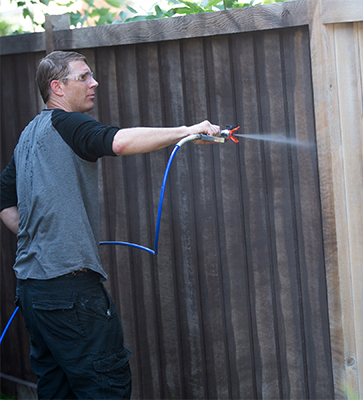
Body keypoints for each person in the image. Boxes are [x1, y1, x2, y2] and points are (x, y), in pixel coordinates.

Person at [0, 50, 220, 399]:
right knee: (106, 388)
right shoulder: (66, 123)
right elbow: (118, 141)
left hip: (32, 291)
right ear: (57, 87)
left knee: (57, 390)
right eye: (83, 77)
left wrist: (43, 238)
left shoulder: (29, 134)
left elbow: (4, 202)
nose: (94, 83)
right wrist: (188, 130)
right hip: (69, 293)